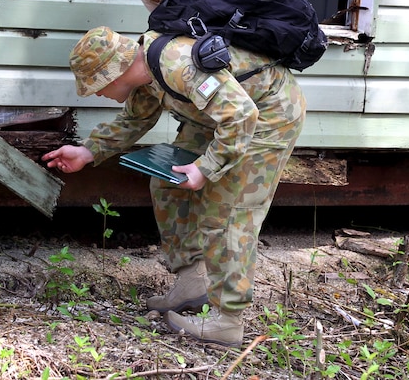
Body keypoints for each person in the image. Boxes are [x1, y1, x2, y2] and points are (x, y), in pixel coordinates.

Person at [41, 24, 306, 347]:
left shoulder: (178, 66)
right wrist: (88, 151)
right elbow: (135, 120)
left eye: (96, 85)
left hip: (266, 116)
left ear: (115, 71)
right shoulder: (145, 72)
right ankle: (192, 281)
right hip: (219, 119)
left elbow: (241, 117)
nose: (97, 93)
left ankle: (227, 320)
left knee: (224, 212)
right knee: (169, 183)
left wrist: (206, 168)